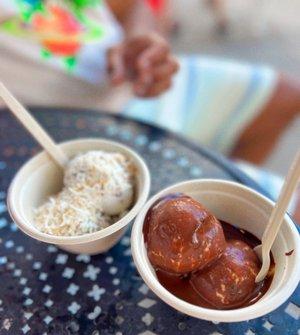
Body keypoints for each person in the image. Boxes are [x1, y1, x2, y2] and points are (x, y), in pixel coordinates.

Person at [0, 0, 299, 218]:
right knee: (292, 212)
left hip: (135, 84)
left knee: (287, 96)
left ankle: (220, 189)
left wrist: (140, 40)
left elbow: (130, 6)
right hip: (73, 129)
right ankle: (218, 189)